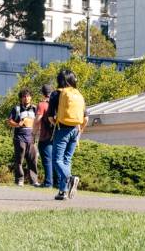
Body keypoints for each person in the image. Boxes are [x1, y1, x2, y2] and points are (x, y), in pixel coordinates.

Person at [46, 69, 86, 200]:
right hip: (76, 130)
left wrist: (55, 123)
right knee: (67, 160)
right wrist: (79, 131)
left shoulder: (56, 94)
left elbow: (50, 117)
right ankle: (62, 192)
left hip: (62, 130)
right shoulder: (78, 94)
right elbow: (86, 118)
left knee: (56, 159)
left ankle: (70, 178)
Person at [7, 90, 39, 186]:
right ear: (21, 98)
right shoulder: (16, 109)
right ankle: (19, 179)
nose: (27, 98)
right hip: (19, 137)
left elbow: (39, 120)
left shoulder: (35, 109)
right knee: (19, 160)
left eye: (28, 96)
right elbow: (9, 121)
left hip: (31, 138)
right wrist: (17, 124)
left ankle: (34, 181)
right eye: (24, 96)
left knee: (33, 160)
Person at [34, 84, 55, 187]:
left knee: (47, 160)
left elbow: (37, 120)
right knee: (57, 160)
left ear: (42, 93)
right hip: (58, 136)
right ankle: (58, 183)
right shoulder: (56, 103)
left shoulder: (42, 104)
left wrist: (33, 134)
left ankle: (48, 183)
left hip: (45, 137)